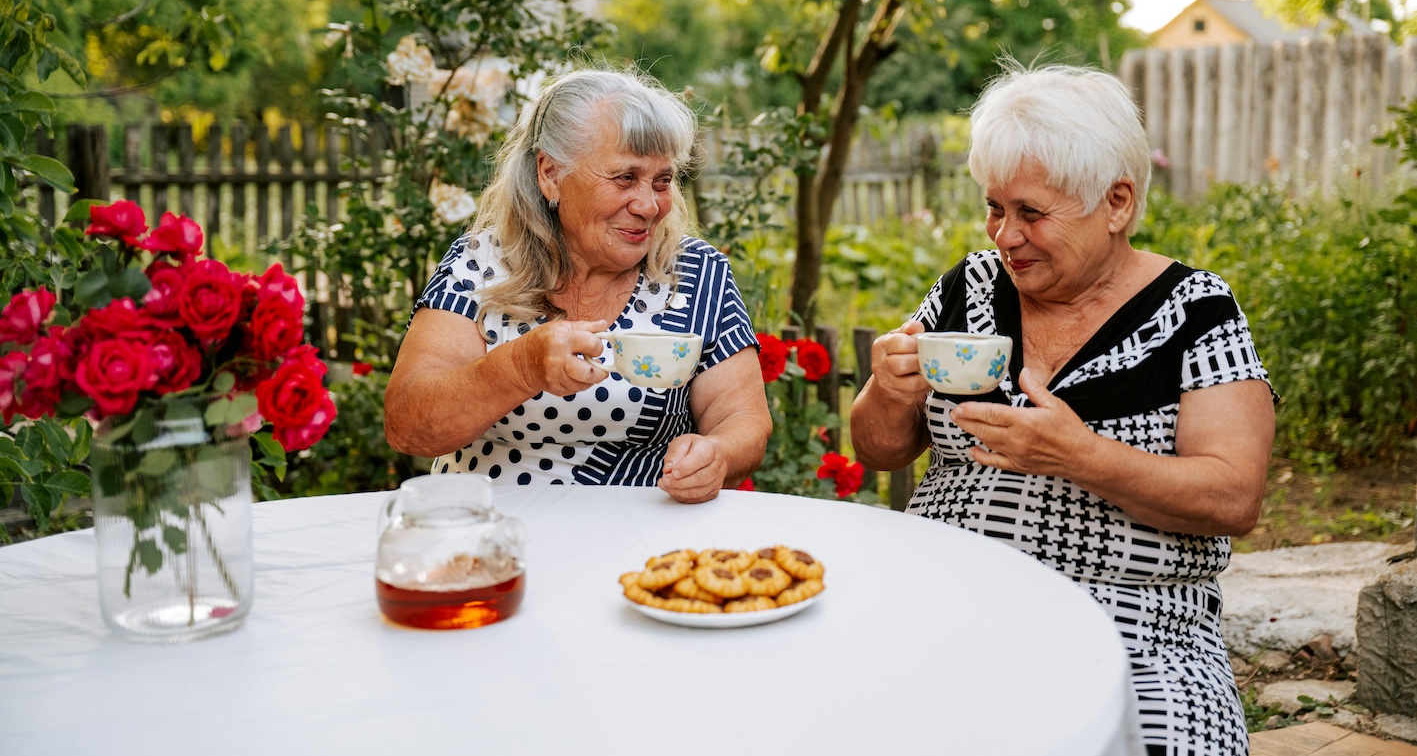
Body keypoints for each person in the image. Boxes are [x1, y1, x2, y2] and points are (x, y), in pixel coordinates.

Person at [850, 64, 1275, 756]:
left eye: (1031, 212)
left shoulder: (1196, 310)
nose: (1003, 236)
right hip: (949, 605)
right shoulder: (968, 287)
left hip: (1135, 623)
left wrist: (1078, 455)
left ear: (1114, 202)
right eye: (994, 207)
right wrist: (888, 391)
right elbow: (879, 449)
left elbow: (1232, 496)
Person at [386, 68, 770, 503]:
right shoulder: (480, 264)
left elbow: (742, 418)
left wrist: (718, 453)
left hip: (640, 539)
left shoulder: (698, 273)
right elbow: (407, 423)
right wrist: (520, 368)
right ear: (550, 173)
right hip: (486, 531)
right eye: (624, 178)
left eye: (662, 181)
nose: (648, 205)